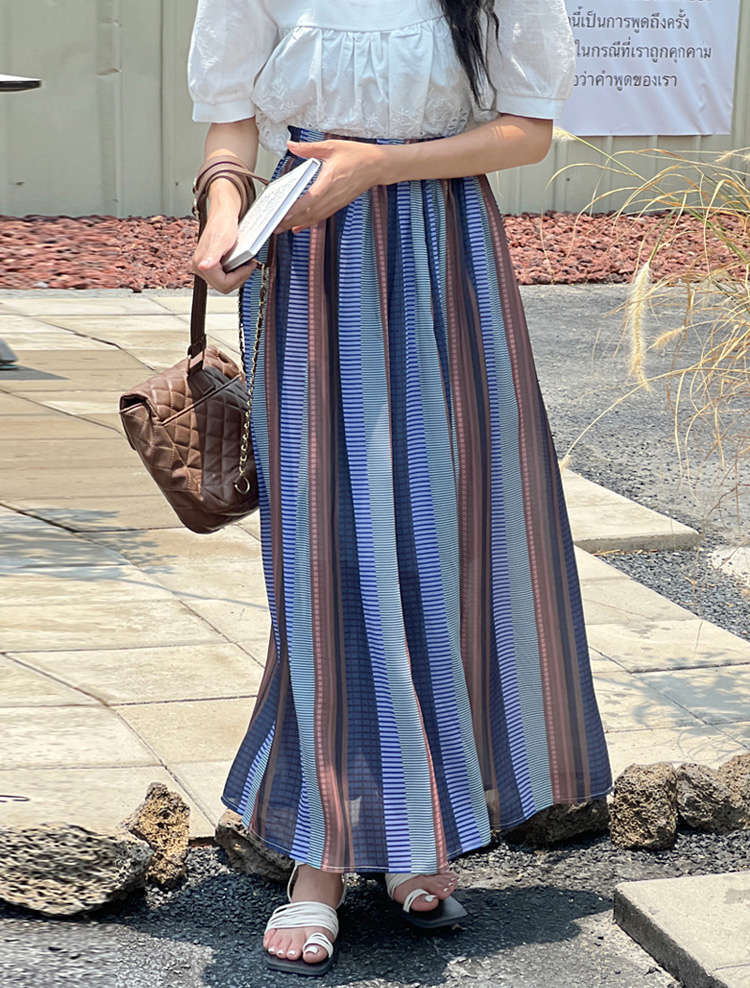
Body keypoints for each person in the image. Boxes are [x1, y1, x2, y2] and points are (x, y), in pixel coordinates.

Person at [187, 0, 613, 975]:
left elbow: (526, 131)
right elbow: (229, 122)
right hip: (308, 263)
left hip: (445, 260)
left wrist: (378, 166)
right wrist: (222, 211)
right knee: (329, 553)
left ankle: (420, 830)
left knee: (446, 537)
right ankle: (324, 856)